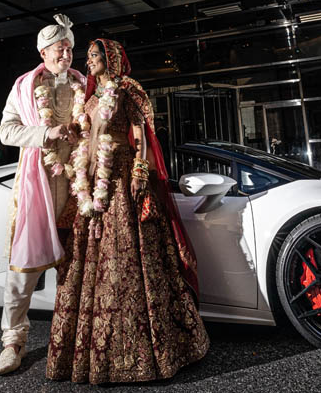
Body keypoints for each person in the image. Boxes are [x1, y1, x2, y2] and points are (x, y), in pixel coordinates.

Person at [46, 38, 208, 384]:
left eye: (93, 56)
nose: (88, 61)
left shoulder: (127, 89)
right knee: (86, 262)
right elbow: (83, 135)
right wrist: (66, 134)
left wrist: (139, 170)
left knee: (131, 259)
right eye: (87, 56)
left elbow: (141, 131)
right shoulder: (88, 99)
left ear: (111, 59)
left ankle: (150, 351)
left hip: (121, 178)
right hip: (93, 183)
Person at [0, 14, 87, 376]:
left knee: (80, 265)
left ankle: (76, 339)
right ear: (44, 52)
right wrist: (44, 134)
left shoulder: (84, 83)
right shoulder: (23, 86)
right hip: (39, 181)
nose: (66, 54)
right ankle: (12, 342)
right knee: (23, 270)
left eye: (69, 48)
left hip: (79, 183)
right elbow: (6, 131)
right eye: (59, 49)